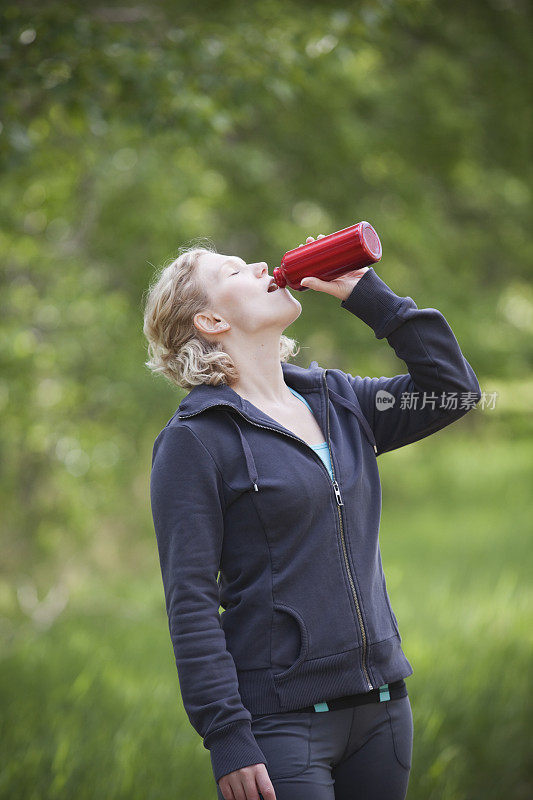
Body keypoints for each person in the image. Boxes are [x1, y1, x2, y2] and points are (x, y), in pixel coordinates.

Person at [143, 235, 481, 800]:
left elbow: (453, 390)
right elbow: (191, 600)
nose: (256, 264)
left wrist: (368, 295)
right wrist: (227, 735)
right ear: (210, 320)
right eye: (232, 271)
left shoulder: (338, 400)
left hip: (382, 709)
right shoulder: (194, 442)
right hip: (280, 723)